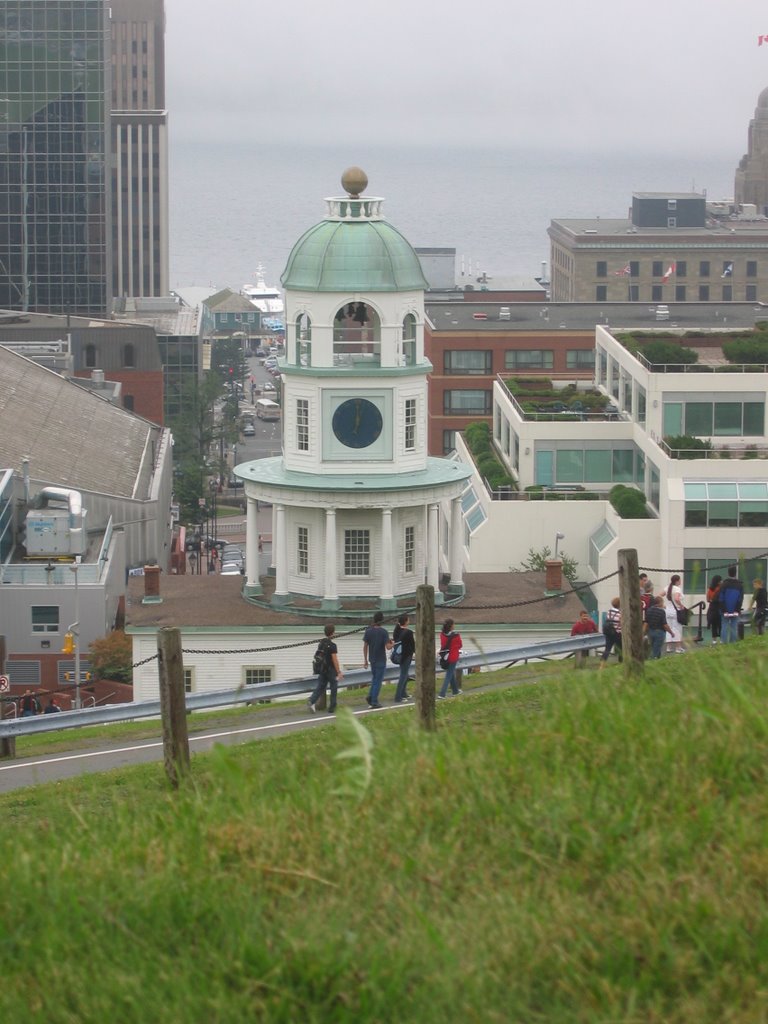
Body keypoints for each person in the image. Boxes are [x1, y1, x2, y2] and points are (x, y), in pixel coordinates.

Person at [308, 623, 343, 714]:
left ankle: (312, 701)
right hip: (331, 669)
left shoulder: (321, 643)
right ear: (333, 633)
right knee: (333, 687)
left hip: (322, 669)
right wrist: (338, 671)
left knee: (320, 686)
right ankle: (332, 707)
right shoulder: (332, 645)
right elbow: (334, 659)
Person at [363, 611, 391, 709]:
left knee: (374, 679)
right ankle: (374, 701)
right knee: (378, 681)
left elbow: (365, 646)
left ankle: (370, 696)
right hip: (381, 659)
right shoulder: (383, 632)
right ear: (382, 620)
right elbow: (388, 647)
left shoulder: (368, 631)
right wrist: (393, 644)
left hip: (372, 659)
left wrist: (365, 660)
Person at [392, 612, 415, 703]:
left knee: (405, 673)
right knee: (403, 675)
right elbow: (412, 645)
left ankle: (403, 693)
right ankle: (398, 697)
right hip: (407, 656)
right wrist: (415, 652)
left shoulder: (396, 631)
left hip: (399, 656)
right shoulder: (408, 632)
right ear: (405, 622)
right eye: (408, 619)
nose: (409, 621)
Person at [719, 565, 744, 644]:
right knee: (734, 626)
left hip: (725, 609)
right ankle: (733, 643)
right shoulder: (740, 585)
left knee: (724, 626)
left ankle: (724, 643)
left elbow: (721, 598)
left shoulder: (724, 584)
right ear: (735, 573)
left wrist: (724, 609)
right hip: (735, 609)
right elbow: (740, 599)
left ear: (728, 573)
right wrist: (737, 609)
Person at [437, 618, 463, 698]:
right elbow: (460, 645)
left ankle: (455, 691)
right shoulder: (456, 635)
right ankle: (442, 693)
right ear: (451, 626)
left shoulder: (442, 634)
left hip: (445, 656)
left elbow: (443, 644)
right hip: (453, 656)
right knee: (449, 675)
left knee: (450, 673)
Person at [664, 575, 687, 653]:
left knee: (669, 628)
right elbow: (677, 598)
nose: (680, 581)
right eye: (680, 580)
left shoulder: (667, 587)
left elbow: (660, 595)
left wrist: (664, 605)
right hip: (675, 611)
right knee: (677, 628)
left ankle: (668, 647)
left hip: (668, 610)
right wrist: (681, 605)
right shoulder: (677, 589)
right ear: (677, 581)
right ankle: (678, 647)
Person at [600, 598, 622, 665]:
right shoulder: (620, 613)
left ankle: (602, 665)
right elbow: (621, 623)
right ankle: (621, 663)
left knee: (607, 649)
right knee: (621, 648)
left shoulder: (609, 612)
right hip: (616, 633)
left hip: (608, 632)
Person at [706, 574, 723, 644]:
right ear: (718, 582)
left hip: (712, 607)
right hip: (719, 607)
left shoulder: (710, 589)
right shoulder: (721, 589)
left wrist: (712, 600)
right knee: (720, 624)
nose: (722, 581)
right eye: (721, 580)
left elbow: (708, 599)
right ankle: (722, 639)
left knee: (714, 624)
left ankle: (714, 640)